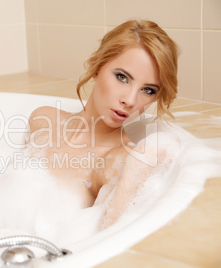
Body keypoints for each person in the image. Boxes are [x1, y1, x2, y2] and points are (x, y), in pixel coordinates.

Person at [25, 20, 181, 230]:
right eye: (122, 77)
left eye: (148, 90)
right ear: (97, 66)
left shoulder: (119, 159)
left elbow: (108, 237)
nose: (130, 100)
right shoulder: (44, 120)